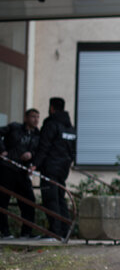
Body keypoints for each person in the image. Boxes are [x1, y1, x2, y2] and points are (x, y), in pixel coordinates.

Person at [32, 97, 76, 238]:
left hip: (50, 167)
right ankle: (65, 230)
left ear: (51, 108)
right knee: (60, 197)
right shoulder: (70, 127)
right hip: (63, 168)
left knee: (50, 199)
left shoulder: (51, 124)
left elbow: (44, 146)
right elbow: (73, 150)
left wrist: (35, 164)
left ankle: (54, 231)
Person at [0, 109, 40, 239]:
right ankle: (4, 232)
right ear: (26, 118)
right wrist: (2, 150)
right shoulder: (14, 127)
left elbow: (39, 150)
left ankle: (27, 232)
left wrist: (31, 155)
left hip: (22, 171)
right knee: (3, 201)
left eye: (37, 117)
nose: (36, 120)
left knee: (29, 201)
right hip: (7, 168)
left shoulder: (37, 135)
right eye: (33, 117)